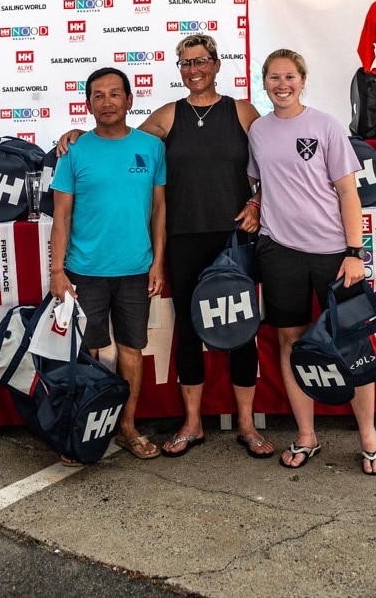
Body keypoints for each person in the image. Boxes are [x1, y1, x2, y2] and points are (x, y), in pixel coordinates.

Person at [58, 34, 274, 459]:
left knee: (241, 331)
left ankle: (247, 425)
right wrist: (78, 133)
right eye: (185, 64)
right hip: (184, 236)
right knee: (190, 332)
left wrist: (257, 200)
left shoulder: (243, 112)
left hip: (233, 239)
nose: (193, 70)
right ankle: (192, 424)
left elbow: (277, 166)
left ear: (215, 64)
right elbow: (117, 140)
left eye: (200, 62)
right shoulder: (168, 116)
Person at [247, 48, 376, 475]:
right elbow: (263, 184)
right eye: (273, 77)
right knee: (291, 344)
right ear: (265, 82)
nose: (282, 84)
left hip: (333, 253)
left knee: (354, 342)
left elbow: (349, 193)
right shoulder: (258, 130)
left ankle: (369, 440)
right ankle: (307, 436)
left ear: (303, 80)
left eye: (290, 76)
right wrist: (255, 205)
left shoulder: (325, 125)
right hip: (279, 252)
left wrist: (354, 252)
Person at [50, 66, 166, 466]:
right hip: (85, 271)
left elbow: (159, 209)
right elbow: (61, 218)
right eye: (98, 95)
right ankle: (89, 427)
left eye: (115, 94)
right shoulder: (74, 151)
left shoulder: (151, 148)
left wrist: (157, 263)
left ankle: (128, 427)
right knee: (92, 355)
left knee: (132, 351)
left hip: (136, 269)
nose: (107, 102)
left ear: (130, 100)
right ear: (87, 104)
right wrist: (57, 271)